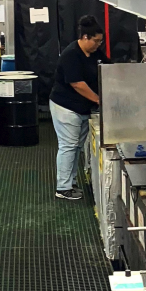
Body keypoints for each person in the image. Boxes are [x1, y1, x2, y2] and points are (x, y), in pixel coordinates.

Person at [50, 15, 105, 201]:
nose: (98, 44)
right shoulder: (71, 54)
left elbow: (108, 68)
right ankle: (63, 188)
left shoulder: (95, 53)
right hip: (65, 107)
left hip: (82, 109)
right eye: (96, 41)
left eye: (100, 41)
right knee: (68, 146)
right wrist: (99, 100)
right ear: (85, 37)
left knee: (76, 147)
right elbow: (77, 84)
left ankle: (70, 183)